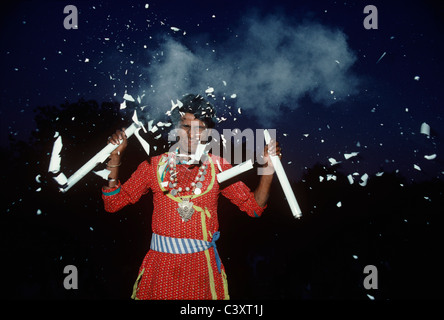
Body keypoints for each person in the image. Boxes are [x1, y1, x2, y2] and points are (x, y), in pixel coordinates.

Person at [102, 94, 282, 300]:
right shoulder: (154, 166)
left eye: (200, 128)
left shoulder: (218, 166)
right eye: (186, 126)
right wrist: (115, 157)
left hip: (201, 274)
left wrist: (268, 166)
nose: (192, 134)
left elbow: (255, 208)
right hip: (160, 271)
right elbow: (113, 204)